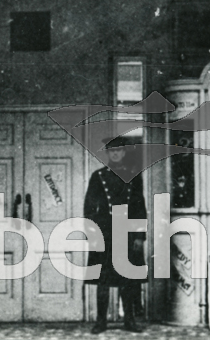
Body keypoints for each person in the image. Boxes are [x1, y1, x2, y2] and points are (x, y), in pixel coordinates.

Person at [84, 137, 147, 334]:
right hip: (104, 232)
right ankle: (100, 321)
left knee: (127, 279)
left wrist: (139, 236)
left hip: (127, 232)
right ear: (107, 154)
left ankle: (129, 320)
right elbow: (89, 207)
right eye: (112, 151)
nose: (115, 154)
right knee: (102, 280)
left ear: (124, 153)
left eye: (119, 150)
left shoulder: (134, 176)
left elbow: (139, 206)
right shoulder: (98, 176)